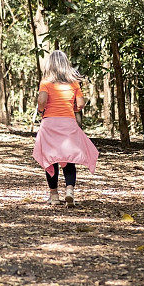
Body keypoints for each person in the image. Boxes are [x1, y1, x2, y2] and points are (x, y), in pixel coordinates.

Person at [32, 50, 99, 206]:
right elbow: (81, 104)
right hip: (68, 123)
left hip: (50, 123)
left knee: (51, 159)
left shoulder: (46, 82)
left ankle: (54, 196)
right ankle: (69, 190)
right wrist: (72, 109)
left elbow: (42, 100)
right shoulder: (73, 83)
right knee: (69, 159)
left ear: (50, 65)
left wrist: (42, 110)